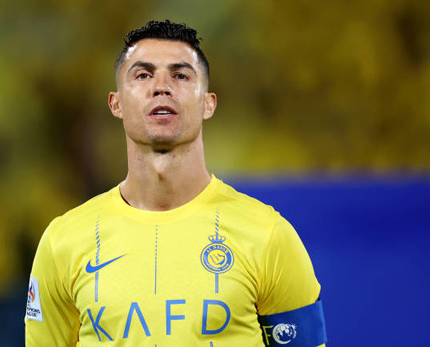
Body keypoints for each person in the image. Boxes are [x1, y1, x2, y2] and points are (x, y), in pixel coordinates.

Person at [25, 20, 327, 346]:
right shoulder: (63, 242)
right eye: (143, 75)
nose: (161, 87)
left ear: (208, 103)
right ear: (116, 104)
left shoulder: (268, 236)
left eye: (180, 75)